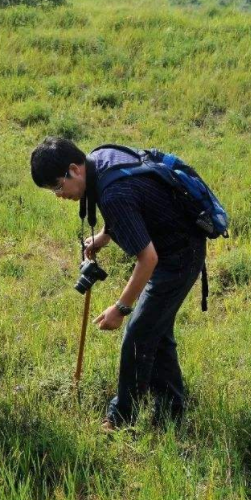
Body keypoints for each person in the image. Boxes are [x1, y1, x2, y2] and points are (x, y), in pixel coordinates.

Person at [30, 137, 207, 431]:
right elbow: (137, 200)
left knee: (138, 334)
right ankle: (172, 409)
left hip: (178, 256)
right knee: (156, 331)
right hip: (171, 243)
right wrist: (104, 235)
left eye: (58, 187)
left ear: (75, 169)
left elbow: (147, 259)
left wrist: (121, 307)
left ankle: (121, 419)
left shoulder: (113, 195)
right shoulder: (99, 158)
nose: (59, 195)